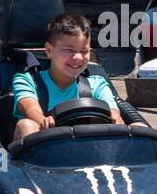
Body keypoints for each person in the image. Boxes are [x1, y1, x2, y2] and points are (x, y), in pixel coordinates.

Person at [12, 12, 124, 141]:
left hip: (92, 151)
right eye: (69, 50)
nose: (78, 57)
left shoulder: (97, 83)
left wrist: (115, 115)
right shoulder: (27, 80)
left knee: (139, 127)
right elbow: (30, 109)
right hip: (45, 148)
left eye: (84, 51)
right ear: (49, 51)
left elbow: (112, 109)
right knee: (26, 125)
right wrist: (44, 121)